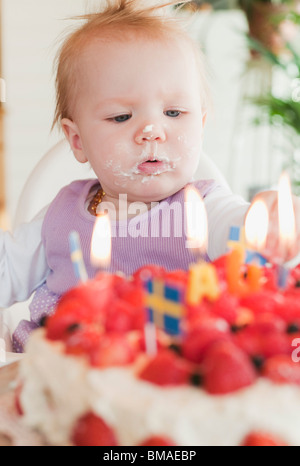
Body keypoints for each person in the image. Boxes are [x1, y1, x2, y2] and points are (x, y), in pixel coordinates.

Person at [1, 0, 299, 352]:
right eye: (121, 117)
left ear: (200, 126)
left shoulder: (204, 208)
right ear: (77, 140)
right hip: (60, 385)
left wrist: (267, 222)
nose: (152, 131)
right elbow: (7, 270)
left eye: (174, 112)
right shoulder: (59, 214)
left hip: (166, 382)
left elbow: (241, 237)